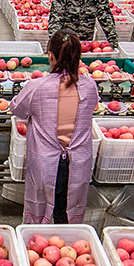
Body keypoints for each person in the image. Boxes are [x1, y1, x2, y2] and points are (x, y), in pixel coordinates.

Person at [11, 29, 99, 224]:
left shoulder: (37, 87)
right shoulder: (90, 86)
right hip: (78, 164)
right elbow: (93, 105)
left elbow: (17, 109)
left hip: (46, 163)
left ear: (51, 55)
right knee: (66, 215)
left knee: (40, 214)